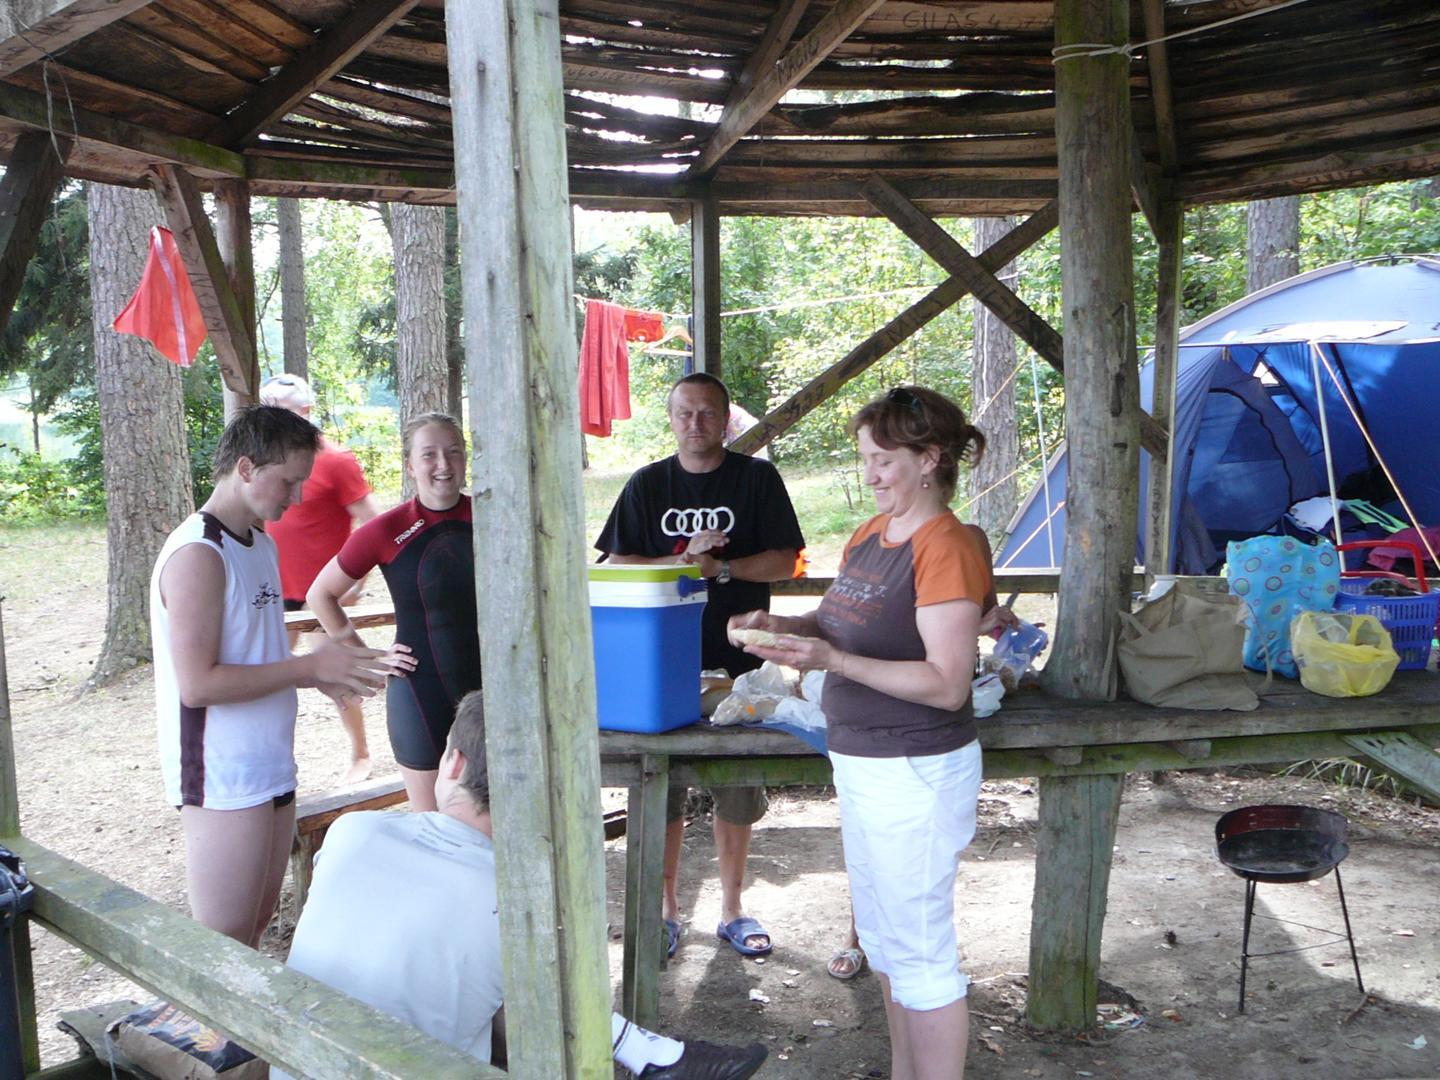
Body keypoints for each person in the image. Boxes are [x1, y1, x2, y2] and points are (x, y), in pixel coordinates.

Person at [275, 691, 768, 1080]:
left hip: (296, 1060)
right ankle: (647, 1053)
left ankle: (650, 1054)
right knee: (527, 990)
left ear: (454, 763)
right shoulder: (522, 902)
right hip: (414, 1067)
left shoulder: (352, 831)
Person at [729, 386, 1005, 1080]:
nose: (870, 474)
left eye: (884, 460)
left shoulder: (948, 545)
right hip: (863, 762)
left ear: (930, 459)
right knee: (883, 941)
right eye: (865, 459)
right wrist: (780, 629)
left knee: (920, 953)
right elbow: (835, 625)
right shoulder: (870, 536)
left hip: (916, 768)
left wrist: (833, 661)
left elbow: (946, 682)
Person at [150, 406, 404, 947]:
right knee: (223, 945)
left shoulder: (259, 542)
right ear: (246, 468)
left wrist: (321, 676)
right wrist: (308, 668)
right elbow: (197, 685)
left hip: (270, 760)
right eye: (289, 481)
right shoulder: (198, 552)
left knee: (254, 933)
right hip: (221, 775)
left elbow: (256, 652)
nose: (297, 496)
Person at [596, 373, 805, 958]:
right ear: (671, 419)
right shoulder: (648, 483)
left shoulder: (756, 479)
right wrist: (683, 562)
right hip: (661, 661)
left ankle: (732, 908)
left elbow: (787, 561)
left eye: (708, 412)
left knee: (737, 787)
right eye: (685, 413)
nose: (695, 423)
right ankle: (666, 910)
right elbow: (616, 562)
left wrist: (724, 569)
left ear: (725, 418)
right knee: (659, 785)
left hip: (742, 661)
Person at [309, 412, 478, 813]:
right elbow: (321, 594)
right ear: (411, 465)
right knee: (431, 824)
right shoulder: (387, 530)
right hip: (421, 692)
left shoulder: (493, 517)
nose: (443, 464)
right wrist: (366, 656)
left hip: (492, 689)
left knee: (495, 818)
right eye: (429, 454)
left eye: (454, 452)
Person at [259, 373, 380, 785]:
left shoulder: (336, 460)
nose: (273, 419)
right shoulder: (263, 463)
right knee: (268, 677)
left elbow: (372, 523)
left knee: (338, 676)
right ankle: (271, 759)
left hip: (322, 596)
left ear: (306, 412)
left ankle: (361, 755)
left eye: (281, 410)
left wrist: (355, 583)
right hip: (275, 591)